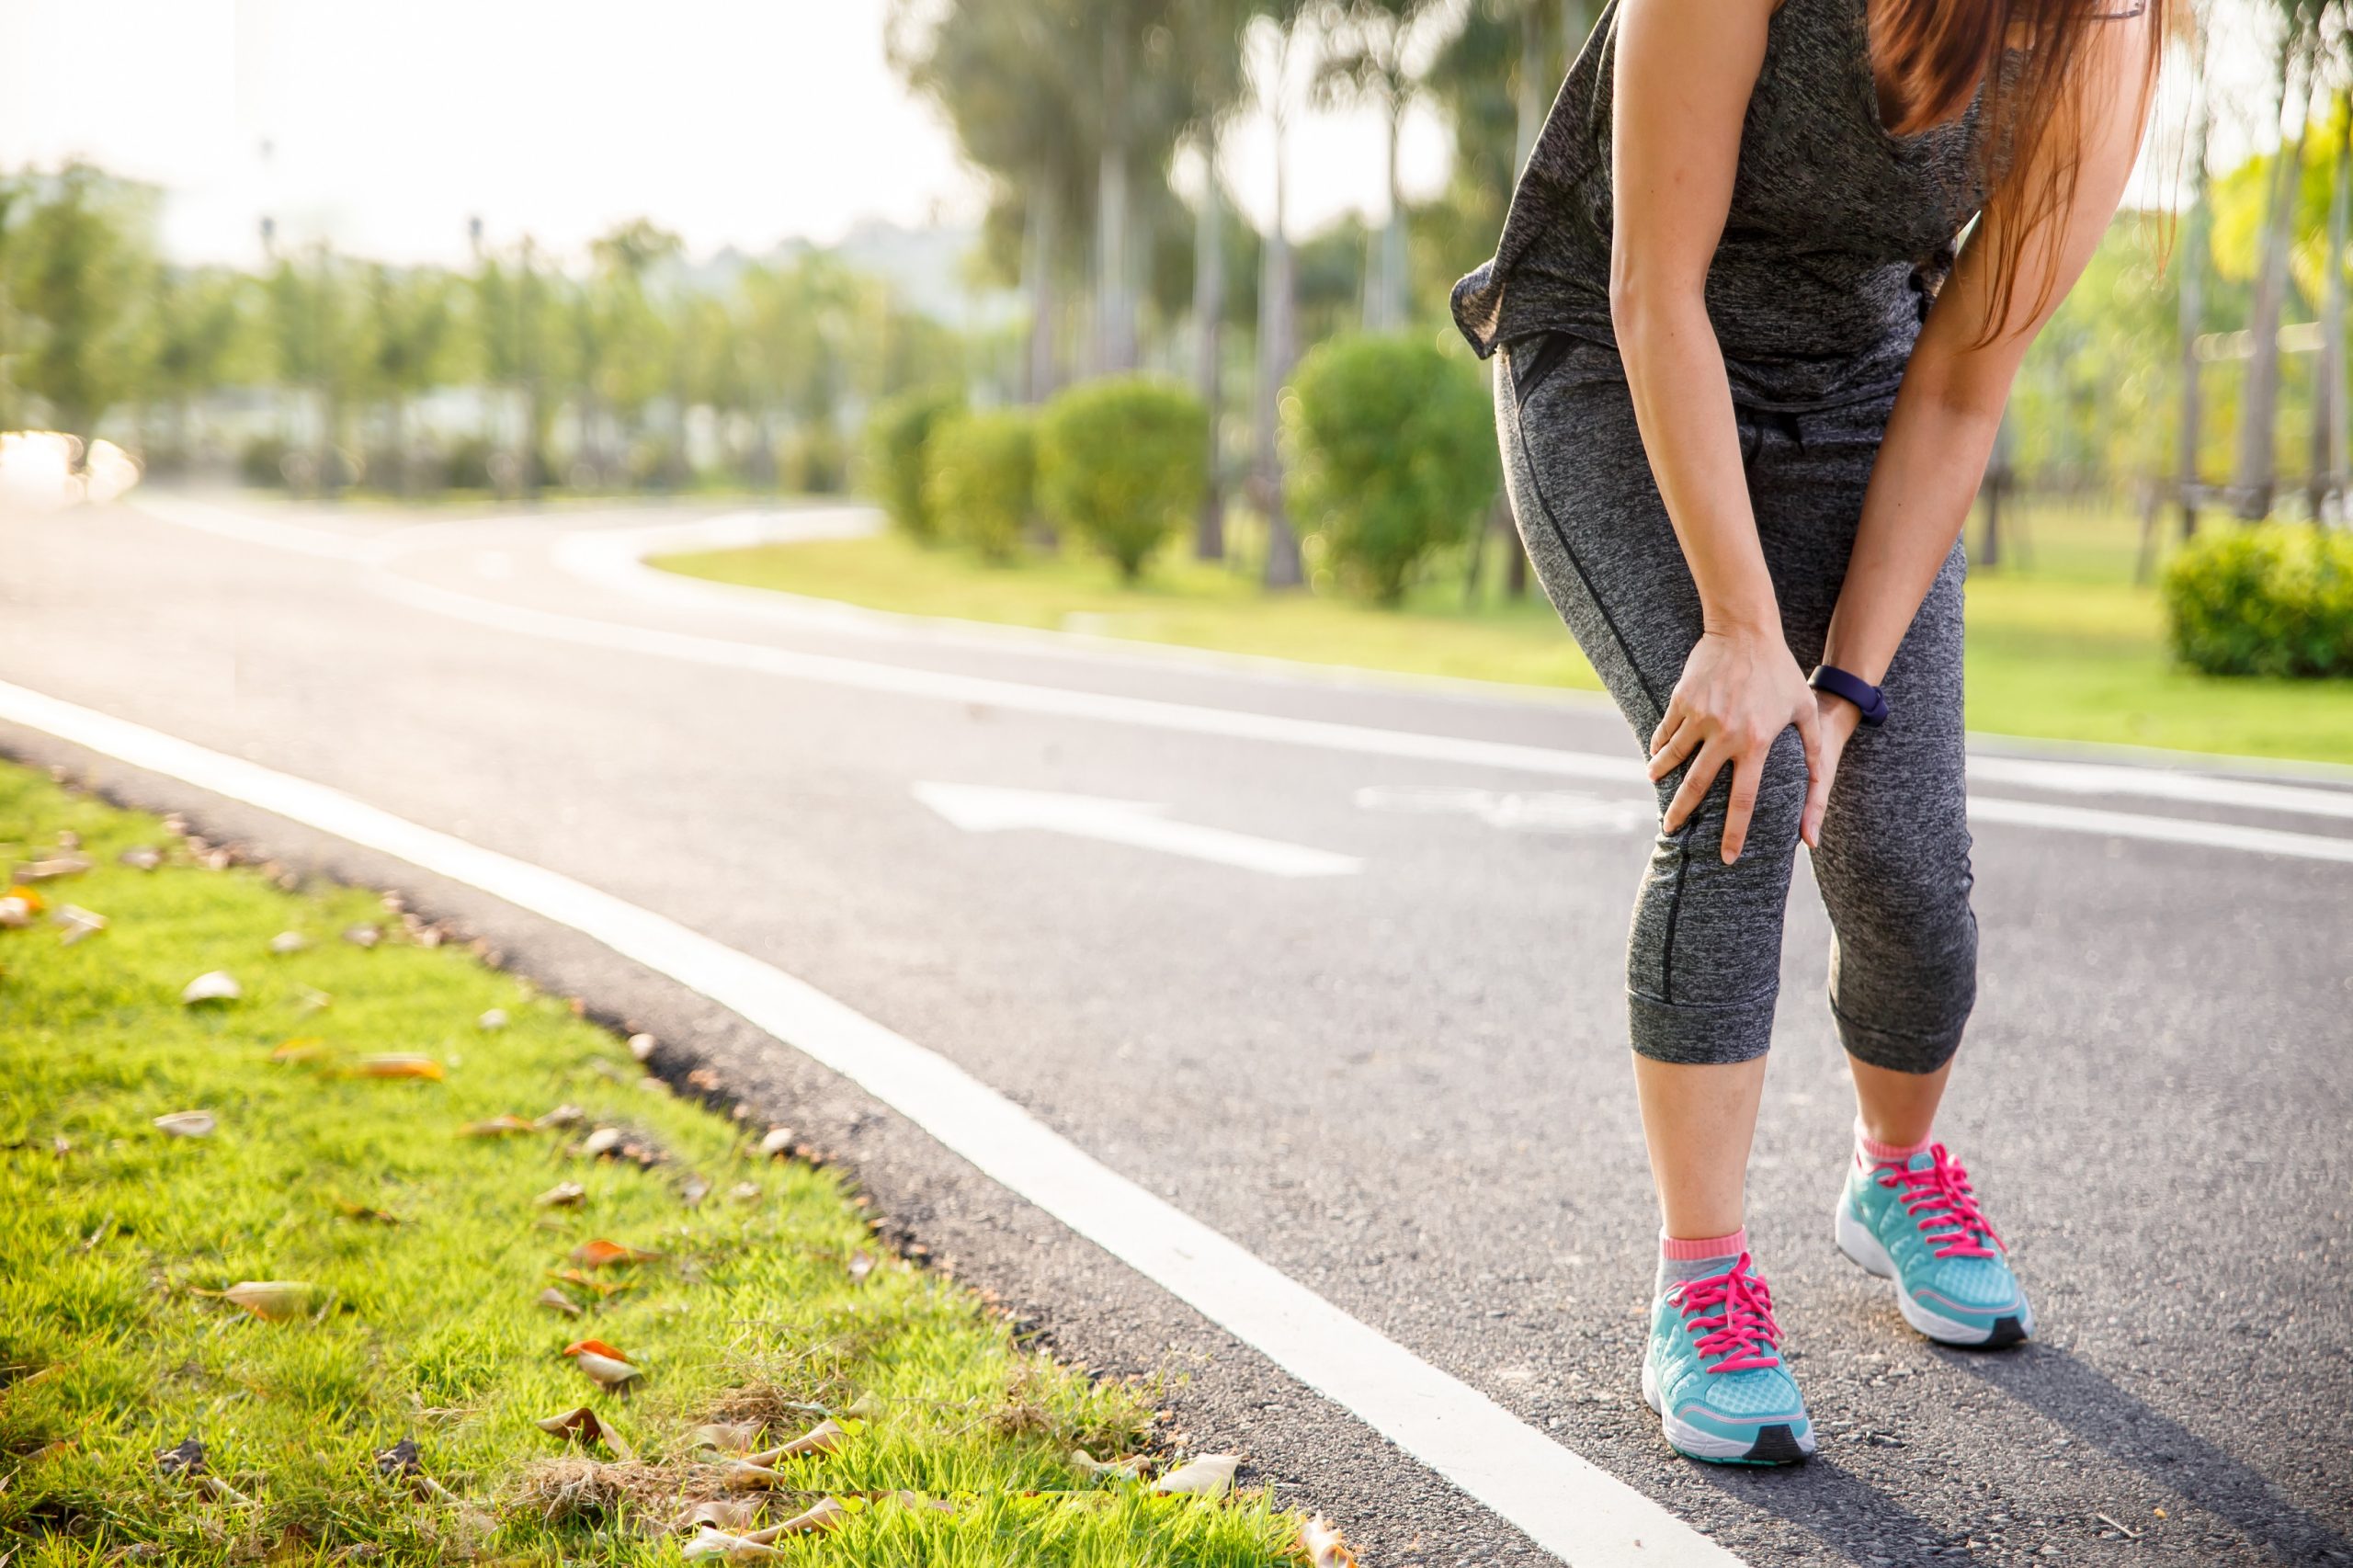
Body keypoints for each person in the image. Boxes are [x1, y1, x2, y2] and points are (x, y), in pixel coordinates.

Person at [1453, 0, 2163, 1464]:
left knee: (1908, 879)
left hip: (1861, 384)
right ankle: (1700, 1281)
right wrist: (1743, 627)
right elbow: (1657, 287)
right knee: (1742, 773)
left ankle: (1895, 1173)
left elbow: (1967, 378)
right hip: (1615, 347)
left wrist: (1847, 681)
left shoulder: (2111, 29)